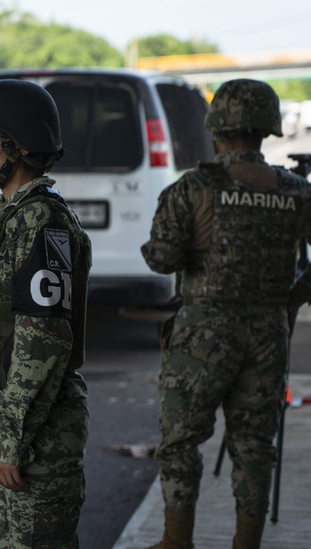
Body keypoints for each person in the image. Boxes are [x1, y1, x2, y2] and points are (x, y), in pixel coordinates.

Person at [139, 78, 311, 549]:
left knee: (180, 442)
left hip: (202, 337)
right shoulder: (297, 190)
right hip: (268, 334)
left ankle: (176, 541)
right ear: (268, 130)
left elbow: (160, 259)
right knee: (255, 445)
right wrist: (294, 297)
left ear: (216, 128)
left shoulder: (193, 188)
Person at [0, 79, 92, 549]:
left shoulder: (41, 221)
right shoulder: (5, 215)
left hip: (38, 429)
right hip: (12, 414)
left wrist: (13, 440)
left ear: (18, 145)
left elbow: (43, 341)